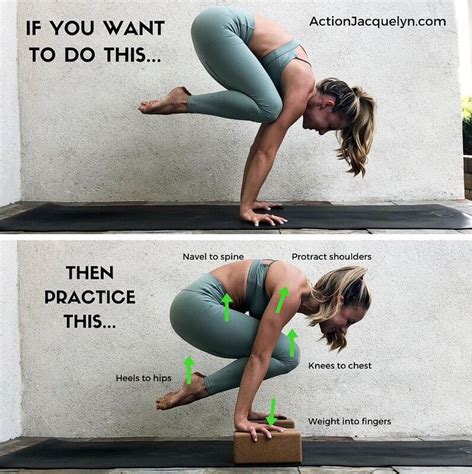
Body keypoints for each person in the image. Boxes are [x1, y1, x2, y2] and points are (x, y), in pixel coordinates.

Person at [139, 6, 376, 227]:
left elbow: (258, 147)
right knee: (270, 108)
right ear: (327, 104)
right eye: (330, 126)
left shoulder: (289, 88)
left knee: (268, 107)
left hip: (213, 27)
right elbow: (267, 152)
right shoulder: (301, 87)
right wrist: (246, 210)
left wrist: (249, 202)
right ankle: (182, 101)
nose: (322, 132)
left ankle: (183, 101)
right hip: (218, 27)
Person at [157, 260, 371, 441]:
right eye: (349, 321)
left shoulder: (295, 292)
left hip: (192, 311)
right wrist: (241, 420)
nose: (344, 329)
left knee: (279, 353)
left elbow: (259, 353)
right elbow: (259, 356)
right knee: (288, 355)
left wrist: (247, 410)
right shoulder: (292, 290)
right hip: (196, 307)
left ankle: (200, 385)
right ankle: (201, 387)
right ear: (338, 300)